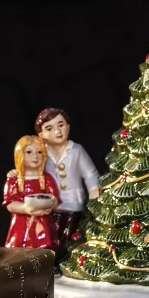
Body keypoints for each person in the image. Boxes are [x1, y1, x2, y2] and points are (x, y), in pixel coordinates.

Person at [35, 108, 101, 251]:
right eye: (49, 128)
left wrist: (94, 189)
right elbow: (31, 170)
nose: (58, 132)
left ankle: (64, 257)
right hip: (49, 206)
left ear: (68, 126)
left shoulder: (76, 150)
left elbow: (90, 174)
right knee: (48, 236)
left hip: (73, 205)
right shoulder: (41, 153)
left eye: (61, 125)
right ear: (41, 134)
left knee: (68, 236)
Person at [5, 135, 62, 249]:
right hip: (21, 226)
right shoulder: (14, 180)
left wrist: (50, 207)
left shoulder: (47, 179)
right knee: (20, 251)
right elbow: (10, 204)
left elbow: (54, 198)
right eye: (29, 152)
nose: (35, 156)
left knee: (45, 250)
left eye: (39, 152)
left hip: (43, 225)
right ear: (20, 155)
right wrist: (26, 209)